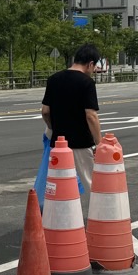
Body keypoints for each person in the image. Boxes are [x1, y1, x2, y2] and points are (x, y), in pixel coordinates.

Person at [41, 43, 102, 205]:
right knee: (90, 182)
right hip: (80, 142)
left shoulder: (53, 79)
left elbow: (45, 111)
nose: (94, 70)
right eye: (94, 66)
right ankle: (98, 220)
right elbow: (91, 116)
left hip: (58, 144)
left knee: (59, 183)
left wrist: (54, 128)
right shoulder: (87, 83)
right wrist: (99, 143)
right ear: (90, 64)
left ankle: (59, 222)